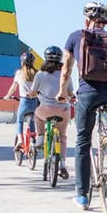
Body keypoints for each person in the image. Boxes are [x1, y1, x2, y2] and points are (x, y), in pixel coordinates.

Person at [58, 1, 107, 208]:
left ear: (86, 19)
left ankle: (82, 196)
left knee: (83, 141)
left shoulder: (76, 36)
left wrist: (63, 91)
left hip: (88, 93)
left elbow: (67, 70)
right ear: (105, 22)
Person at [32, 46, 72, 180]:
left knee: (37, 115)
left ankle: (41, 136)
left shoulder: (40, 74)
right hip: (63, 110)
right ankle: (63, 165)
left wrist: (32, 94)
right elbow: (71, 93)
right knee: (62, 137)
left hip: (45, 109)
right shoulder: (65, 74)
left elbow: (33, 91)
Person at [4, 51, 39, 148]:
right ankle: (33, 138)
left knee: (19, 121)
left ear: (22, 62)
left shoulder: (19, 73)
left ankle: (20, 140)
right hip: (35, 102)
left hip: (24, 102)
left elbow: (13, 87)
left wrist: (7, 96)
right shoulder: (37, 73)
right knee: (31, 119)